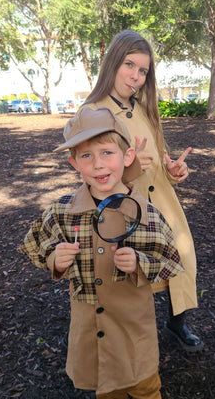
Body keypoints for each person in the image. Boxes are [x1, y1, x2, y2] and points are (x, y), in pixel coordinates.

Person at [19, 106, 184, 399]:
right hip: (89, 322)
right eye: (86, 156)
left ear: (126, 156)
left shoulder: (144, 212)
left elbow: (172, 260)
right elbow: (35, 244)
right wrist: (55, 259)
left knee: (142, 381)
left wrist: (141, 264)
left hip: (133, 320)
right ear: (74, 164)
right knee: (104, 380)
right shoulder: (64, 212)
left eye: (107, 152)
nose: (98, 164)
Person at [83, 29, 203, 352]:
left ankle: (176, 324)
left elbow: (160, 158)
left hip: (162, 199)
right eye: (129, 65)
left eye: (143, 71)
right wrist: (132, 168)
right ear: (112, 63)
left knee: (181, 259)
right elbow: (95, 174)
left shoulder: (143, 108)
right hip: (124, 208)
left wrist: (173, 170)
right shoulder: (93, 113)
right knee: (136, 275)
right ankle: (135, 345)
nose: (136, 76)